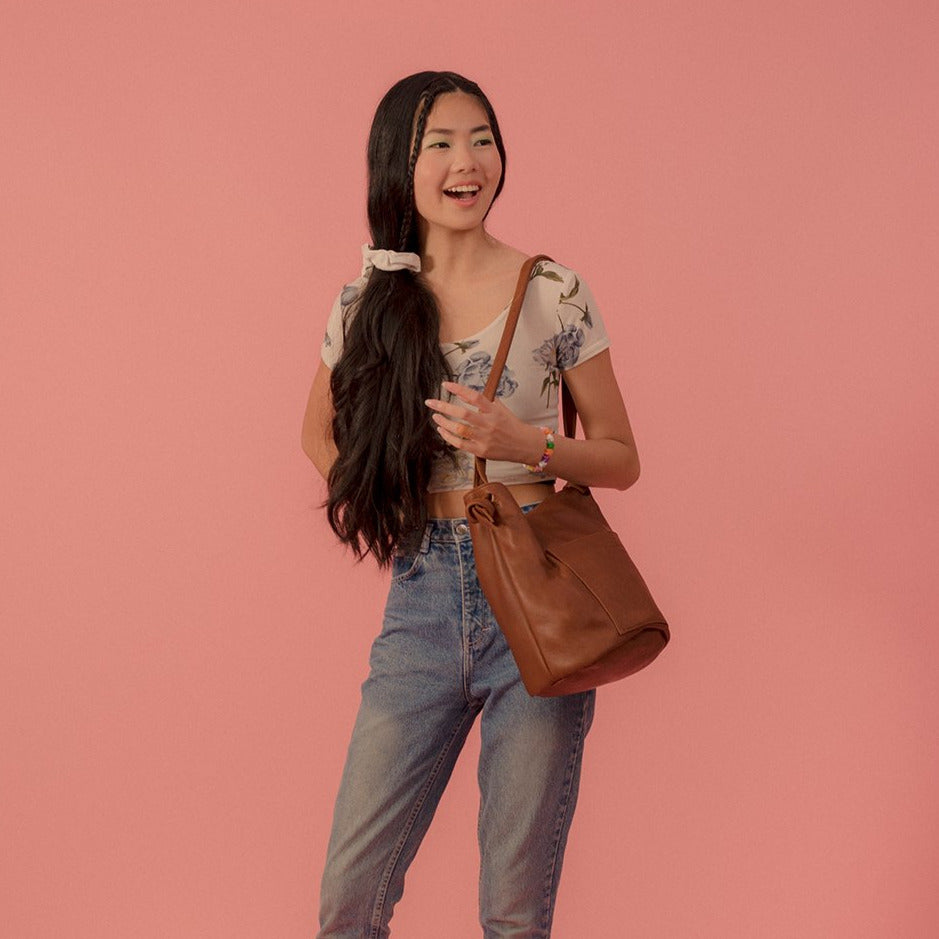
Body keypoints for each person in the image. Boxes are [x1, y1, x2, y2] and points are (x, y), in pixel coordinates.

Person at [301, 70, 639, 939]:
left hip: (535, 584)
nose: (466, 162)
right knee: (351, 891)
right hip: (422, 591)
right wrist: (390, 485)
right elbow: (316, 436)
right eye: (440, 144)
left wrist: (522, 443)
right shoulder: (368, 302)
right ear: (397, 165)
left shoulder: (553, 289)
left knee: (514, 910)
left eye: (481, 139)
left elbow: (621, 456)